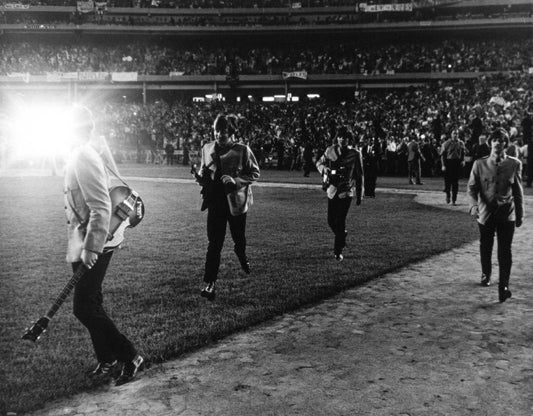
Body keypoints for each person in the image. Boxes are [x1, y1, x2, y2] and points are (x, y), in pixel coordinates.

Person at [64, 106, 143, 386]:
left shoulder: (84, 156)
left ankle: (129, 355)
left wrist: (91, 248)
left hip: (97, 239)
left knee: (83, 307)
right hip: (84, 237)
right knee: (91, 301)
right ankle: (107, 358)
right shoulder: (80, 152)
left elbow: (101, 205)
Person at [194, 114, 260, 301]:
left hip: (236, 202)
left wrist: (236, 181)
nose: (218, 135)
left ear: (231, 133)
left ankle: (242, 255)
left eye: (223, 132)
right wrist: (199, 177)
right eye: (216, 131)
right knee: (214, 244)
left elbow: (255, 173)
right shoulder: (207, 148)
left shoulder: (242, 150)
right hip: (215, 201)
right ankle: (210, 284)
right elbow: (204, 171)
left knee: (239, 239)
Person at [467, 128, 524, 303]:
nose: (498, 143)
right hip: (485, 214)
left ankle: (504, 286)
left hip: (507, 214)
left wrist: (520, 214)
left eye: (501, 140)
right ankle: (486, 273)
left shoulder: (514, 164)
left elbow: (518, 191)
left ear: (505, 143)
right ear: (490, 143)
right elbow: (471, 188)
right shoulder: (479, 164)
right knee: (486, 245)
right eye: (495, 140)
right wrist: (474, 205)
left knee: (505, 251)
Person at [316, 126, 364, 261]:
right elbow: (319, 162)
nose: (342, 139)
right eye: (340, 137)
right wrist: (324, 169)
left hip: (346, 191)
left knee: (340, 220)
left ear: (349, 139)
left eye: (345, 137)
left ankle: (338, 251)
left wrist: (360, 195)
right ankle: (342, 235)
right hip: (332, 190)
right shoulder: (330, 150)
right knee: (330, 220)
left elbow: (360, 176)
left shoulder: (356, 154)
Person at [440, 128, 465, 205]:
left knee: (455, 182)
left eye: (456, 134)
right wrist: (443, 165)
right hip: (448, 162)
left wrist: (463, 160)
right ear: (451, 134)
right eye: (454, 133)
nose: (455, 135)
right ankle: (448, 195)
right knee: (447, 182)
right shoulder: (446, 143)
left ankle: (454, 199)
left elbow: (463, 153)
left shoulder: (461, 143)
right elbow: (442, 155)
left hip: (456, 163)